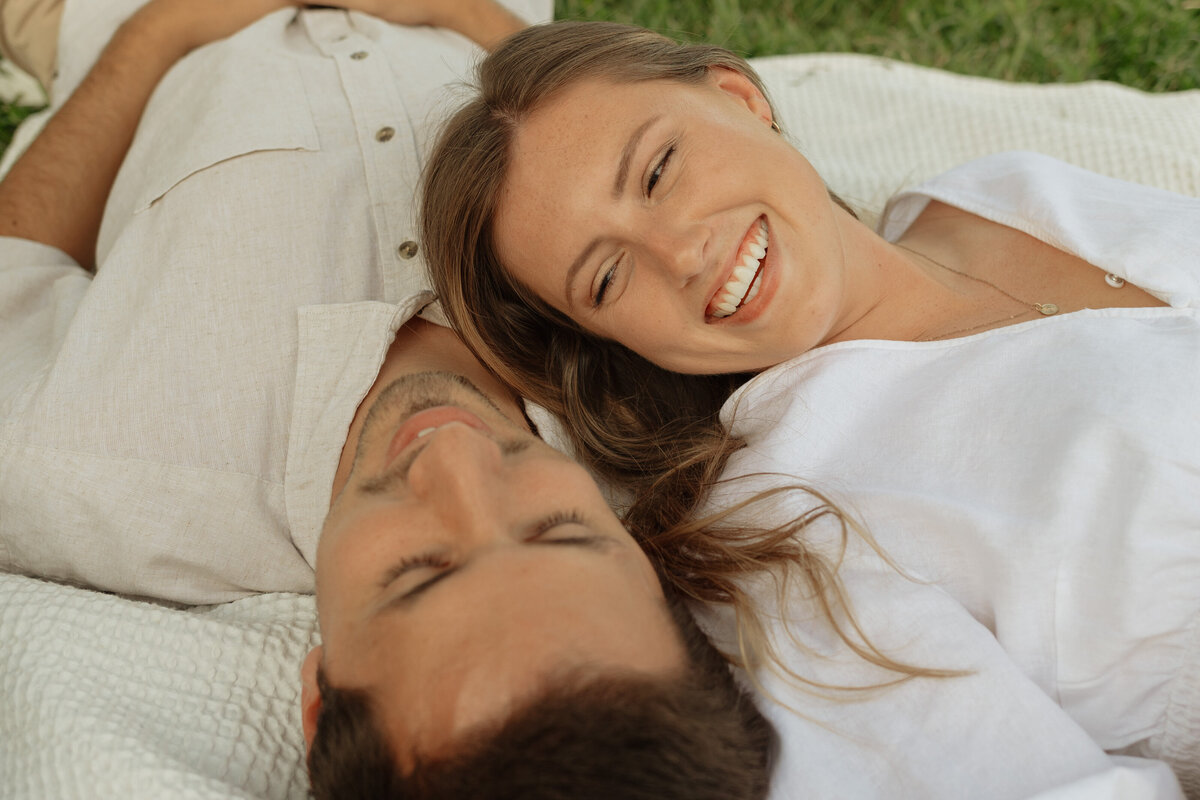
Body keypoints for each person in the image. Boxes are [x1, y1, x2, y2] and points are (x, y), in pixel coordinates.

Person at [0, 3, 783, 797]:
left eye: (416, 573)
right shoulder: (677, 359)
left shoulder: (78, 464)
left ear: (317, 701)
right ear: (655, 574)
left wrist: (161, 30)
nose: (455, 456)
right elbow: (652, 121)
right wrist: (466, 13)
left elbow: (13, 260)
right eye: (560, 532)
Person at [421, 18, 1200, 791]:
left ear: (738, 97)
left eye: (658, 171)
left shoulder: (993, 193)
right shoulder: (781, 532)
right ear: (610, 341)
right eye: (606, 278)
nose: (680, 254)